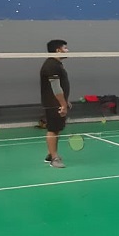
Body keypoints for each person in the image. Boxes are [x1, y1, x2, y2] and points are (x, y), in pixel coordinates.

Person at [40, 39, 70, 169]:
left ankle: (51, 153)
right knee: (52, 130)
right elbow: (56, 88)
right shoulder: (52, 65)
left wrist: (65, 101)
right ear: (58, 50)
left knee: (56, 129)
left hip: (56, 102)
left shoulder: (56, 64)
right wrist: (63, 104)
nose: (68, 50)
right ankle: (54, 159)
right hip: (53, 103)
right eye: (65, 48)